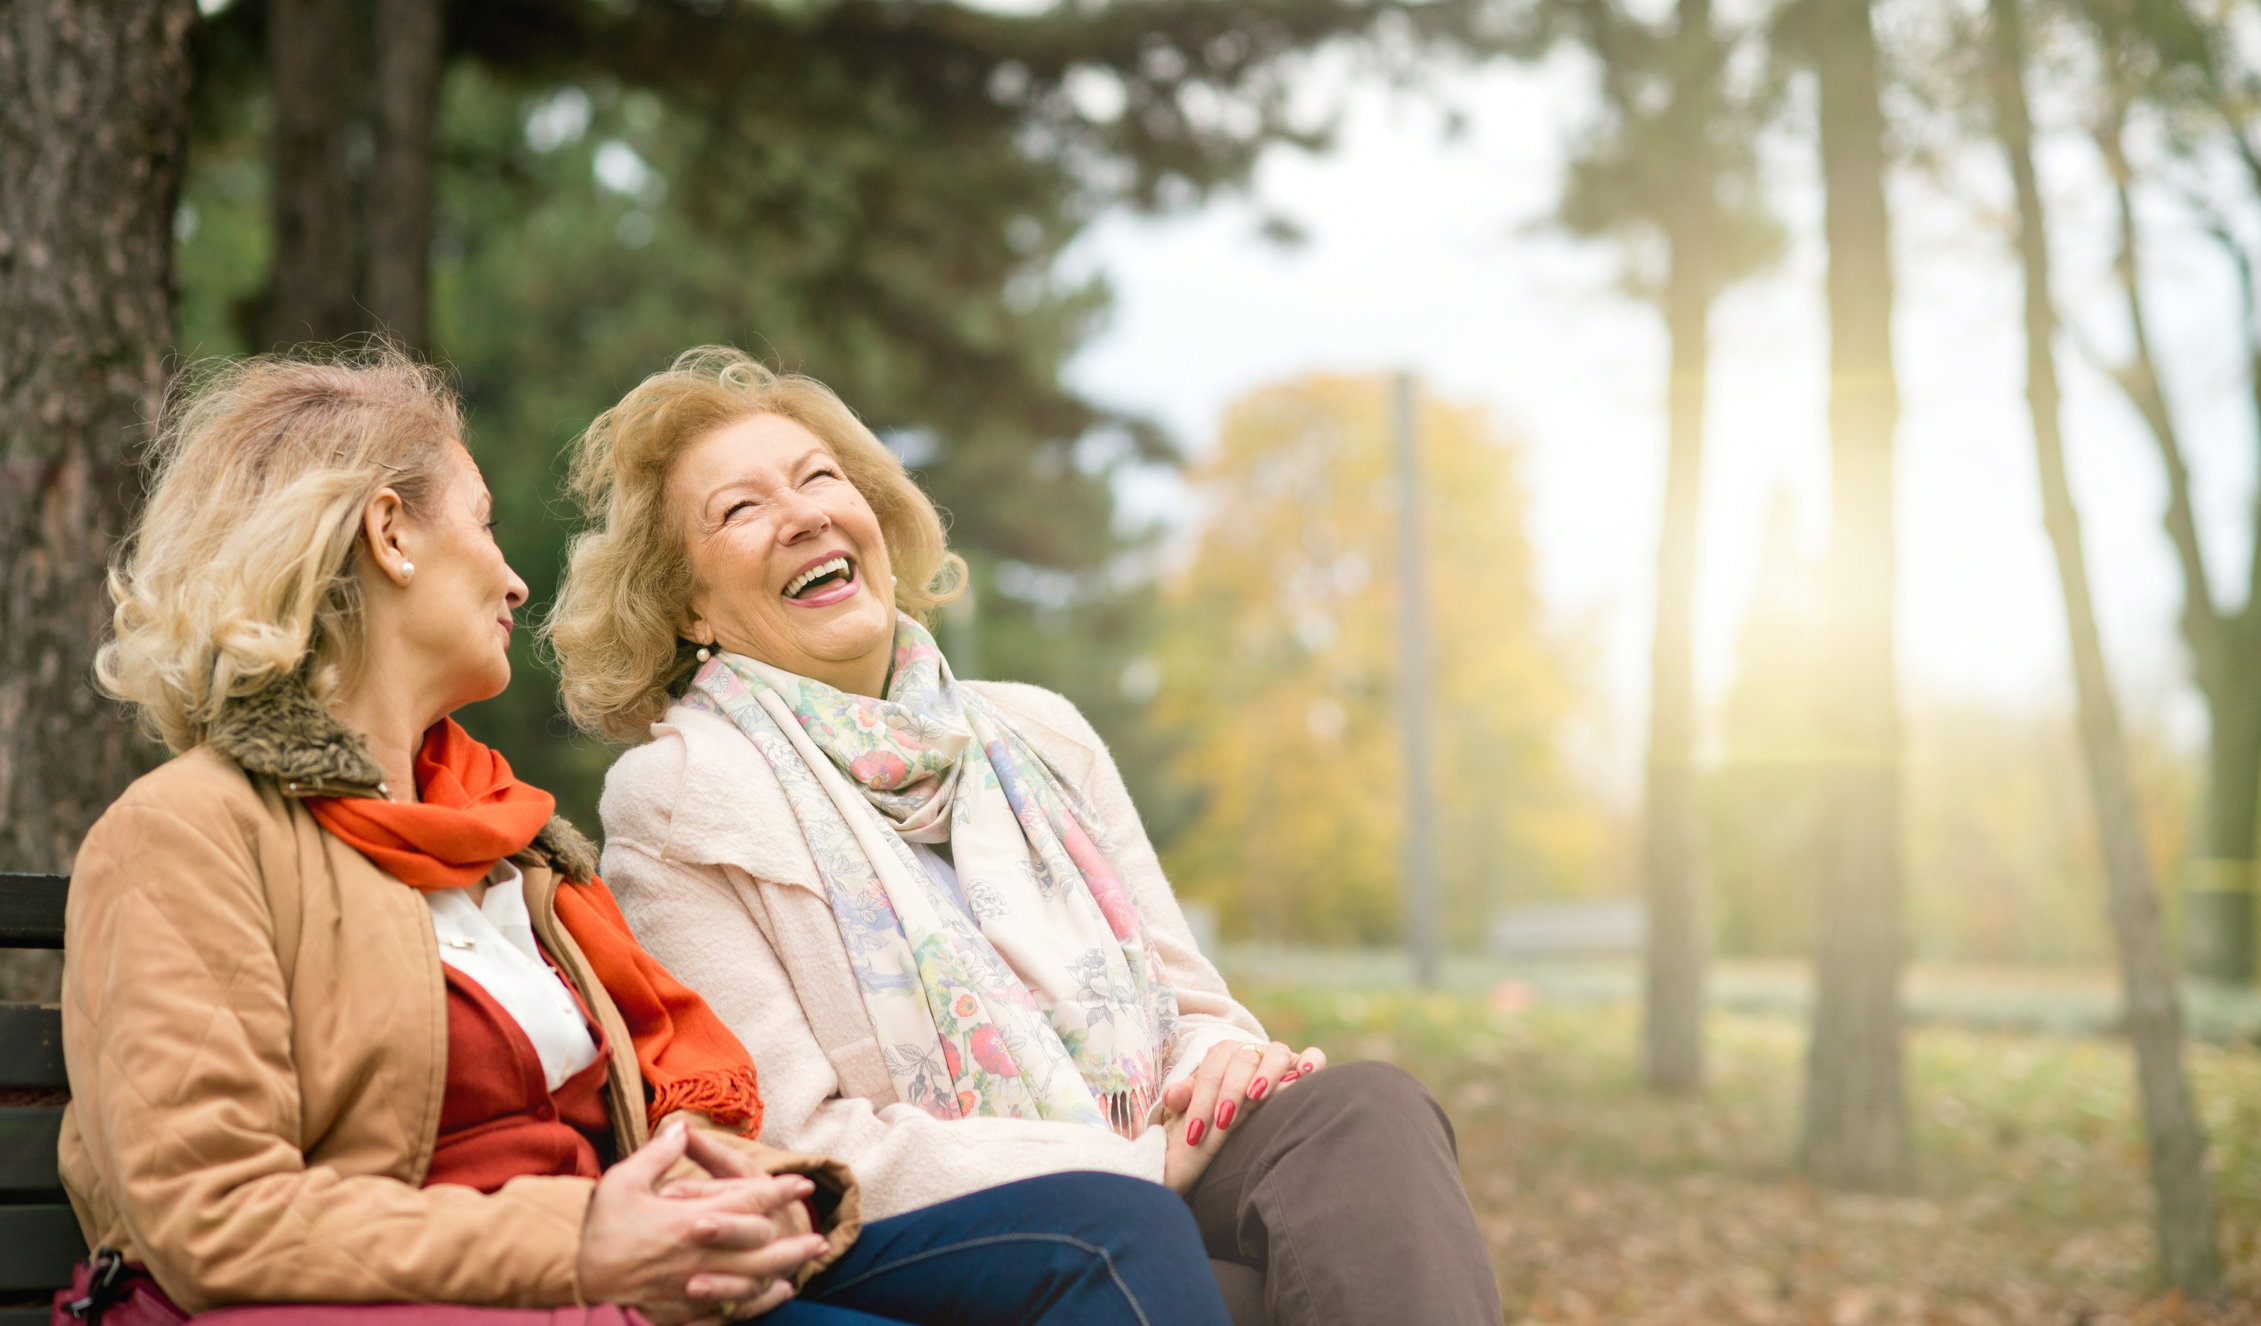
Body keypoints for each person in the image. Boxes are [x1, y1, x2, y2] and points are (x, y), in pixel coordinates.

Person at [68, 349, 1235, 1326]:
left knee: (1124, 1227)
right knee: (1110, 1233)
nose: (517, 580)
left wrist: (766, 1195)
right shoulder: (187, 838)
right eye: (481, 523)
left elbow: (671, 1110)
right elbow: (207, 1210)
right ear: (390, 534)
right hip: (479, 1298)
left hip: (631, 1295)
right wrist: (584, 1234)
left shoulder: (508, 847)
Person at [545, 346, 1505, 1326]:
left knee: (1365, 1113)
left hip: (1157, 1154)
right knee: (1200, 1279)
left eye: (819, 478)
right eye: (738, 510)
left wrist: (1222, 1063)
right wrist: (1124, 1160)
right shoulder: (678, 800)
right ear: (687, 606)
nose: (803, 515)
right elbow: (795, 1142)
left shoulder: (1039, 731)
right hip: (950, 1228)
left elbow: (1190, 1004)